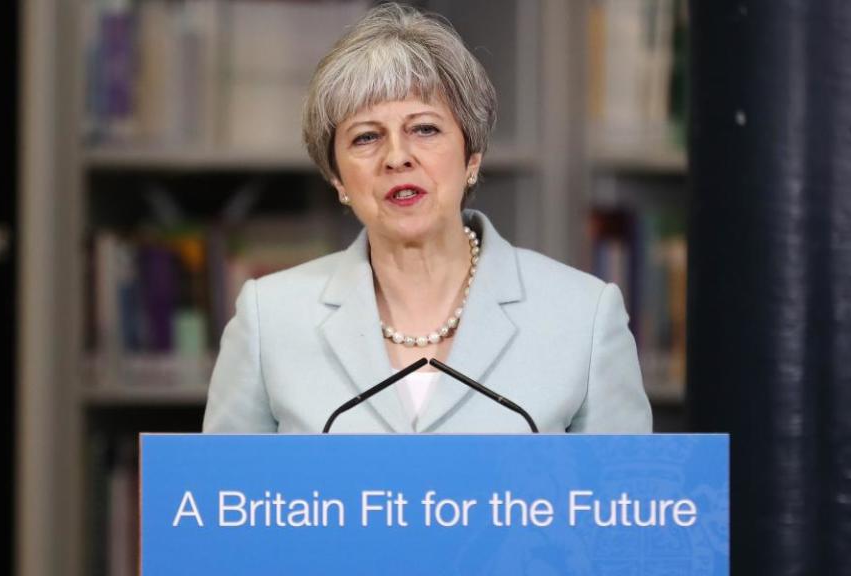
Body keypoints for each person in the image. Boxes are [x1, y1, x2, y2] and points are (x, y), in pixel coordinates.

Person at [203, 3, 651, 434]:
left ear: (471, 156)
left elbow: (628, 500)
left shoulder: (584, 316)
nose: (397, 157)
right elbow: (223, 501)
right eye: (366, 138)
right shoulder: (270, 318)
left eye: (425, 129)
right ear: (336, 177)